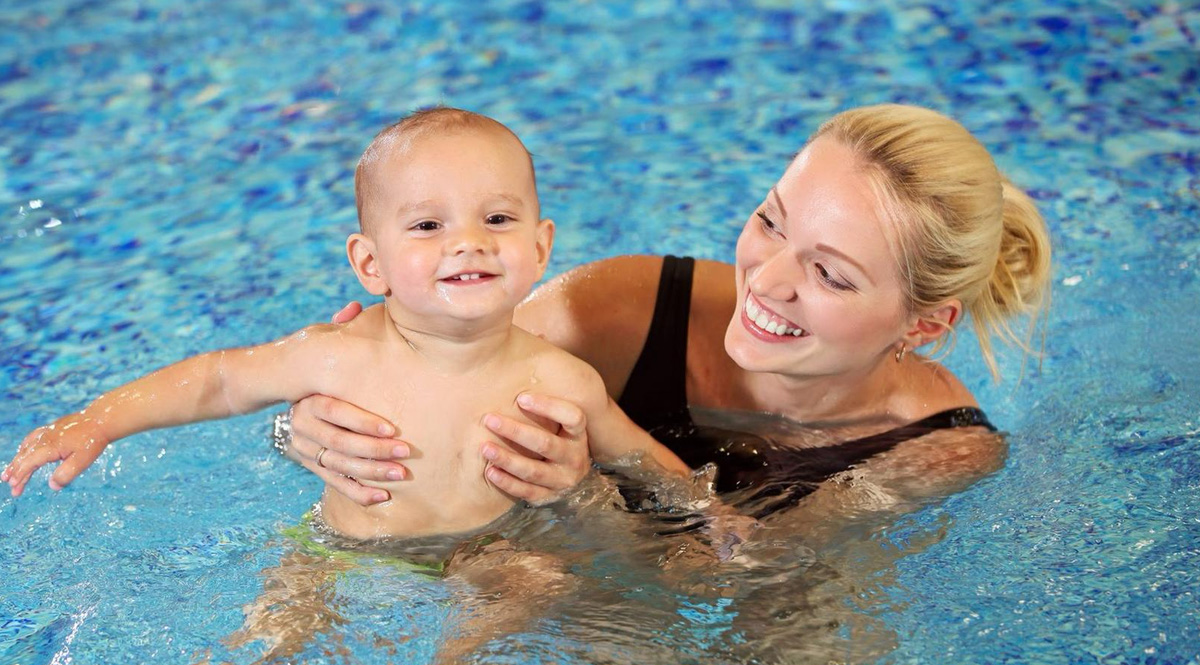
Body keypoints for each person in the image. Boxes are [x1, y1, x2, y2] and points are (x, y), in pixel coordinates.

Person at [283, 103, 1052, 514]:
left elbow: (733, 592)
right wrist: (311, 429)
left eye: (829, 274)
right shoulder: (622, 311)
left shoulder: (933, 450)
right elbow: (417, 374)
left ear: (924, 325)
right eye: (771, 222)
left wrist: (584, 497)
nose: (766, 281)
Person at [2, 107, 690, 541]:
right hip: (340, 554)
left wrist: (712, 520)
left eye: (498, 218)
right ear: (370, 264)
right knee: (264, 651)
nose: (469, 242)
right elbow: (217, 380)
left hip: (490, 558)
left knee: (528, 589)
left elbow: (641, 459)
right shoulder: (337, 354)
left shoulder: (560, 379)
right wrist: (97, 420)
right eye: (428, 225)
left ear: (540, 248)